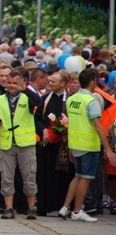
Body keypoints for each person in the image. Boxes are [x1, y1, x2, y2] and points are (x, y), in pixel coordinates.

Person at [59, 68, 116, 222]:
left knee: (77, 177)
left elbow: (70, 123)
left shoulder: (72, 99)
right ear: (93, 82)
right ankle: (77, 211)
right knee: (85, 178)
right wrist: (109, 149)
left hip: (75, 144)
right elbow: (98, 126)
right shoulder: (92, 101)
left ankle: (65, 207)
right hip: (89, 145)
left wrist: (70, 146)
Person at [0, 70, 42, 220]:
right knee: (6, 177)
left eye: (15, 83)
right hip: (7, 144)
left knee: (29, 176)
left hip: (26, 144)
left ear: (21, 82)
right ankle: (9, 208)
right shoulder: (0, 100)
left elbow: (38, 102)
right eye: (10, 83)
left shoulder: (27, 98)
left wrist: (25, 89)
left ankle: (31, 208)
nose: (12, 86)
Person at [34, 70, 74, 215]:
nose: (49, 83)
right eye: (49, 81)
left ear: (63, 84)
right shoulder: (44, 99)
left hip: (63, 144)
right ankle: (43, 206)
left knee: (63, 175)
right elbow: (37, 118)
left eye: (53, 82)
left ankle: (63, 206)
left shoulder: (70, 100)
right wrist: (43, 130)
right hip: (47, 142)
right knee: (43, 174)